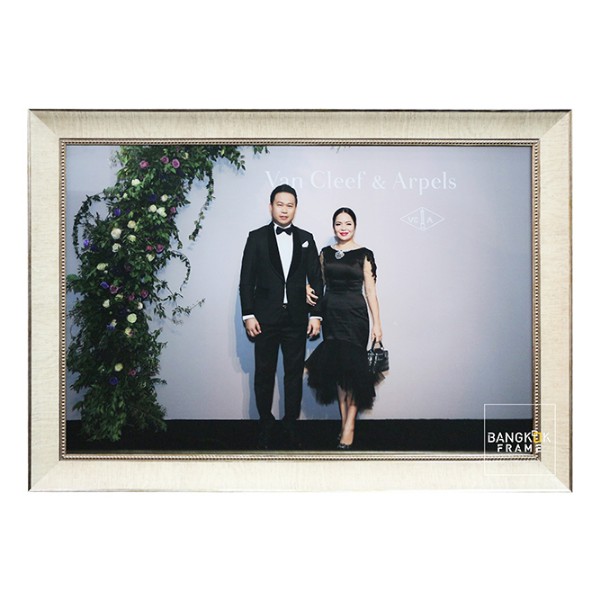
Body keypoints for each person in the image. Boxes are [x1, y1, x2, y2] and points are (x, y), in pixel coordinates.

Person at [239, 184, 323, 449]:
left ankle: (290, 426)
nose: (284, 210)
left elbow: (316, 278)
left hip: (297, 318)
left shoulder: (306, 238)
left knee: (293, 374)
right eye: (280, 204)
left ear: (295, 208)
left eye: (290, 205)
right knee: (263, 373)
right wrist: (248, 315)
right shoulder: (256, 238)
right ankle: (265, 424)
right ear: (270, 207)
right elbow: (246, 280)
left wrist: (316, 315)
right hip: (264, 319)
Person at [305, 207, 383, 450]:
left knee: (355, 373)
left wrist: (377, 324)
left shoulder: (364, 254)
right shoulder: (326, 253)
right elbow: (318, 282)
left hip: (356, 317)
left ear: (355, 226)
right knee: (339, 373)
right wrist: (306, 288)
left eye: (348, 223)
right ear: (333, 227)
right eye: (339, 223)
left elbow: (370, 291)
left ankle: (350, 426)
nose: (343, 228)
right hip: (332, 315)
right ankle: (344, 423)